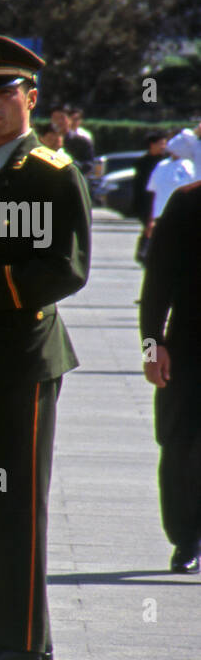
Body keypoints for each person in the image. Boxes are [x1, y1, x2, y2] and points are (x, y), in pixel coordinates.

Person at [0, 35, 91, 660]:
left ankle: (22, 639)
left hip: (25, 359)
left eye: (4, 92)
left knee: (19, 500)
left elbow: (68, 267)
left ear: (31, 98)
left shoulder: (54, 174)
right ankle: (8, 631)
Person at [139, 180, 201, 574]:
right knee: (180, 446)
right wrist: (150, 348)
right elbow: (156, 282)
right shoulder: (187, 202)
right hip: (188, 348)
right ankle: (186, 539)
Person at [132, 131, 169, 264]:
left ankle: (149, 252)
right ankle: (143, 251)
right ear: (152, 145)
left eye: (164, 144)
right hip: (146, 199)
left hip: (160, 198)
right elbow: (138, 184)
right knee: (148, 226)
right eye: (161, 144)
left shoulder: (165, 162)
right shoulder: (143, 162)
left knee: (155, 228)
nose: (163, 147)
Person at [49, 104, 94, 177]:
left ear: (70, 120)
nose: (59, 122)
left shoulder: (82, 142)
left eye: (62, 118)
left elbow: (88, 166)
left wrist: (68, 161)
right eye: (55, 118)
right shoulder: (44, 141)